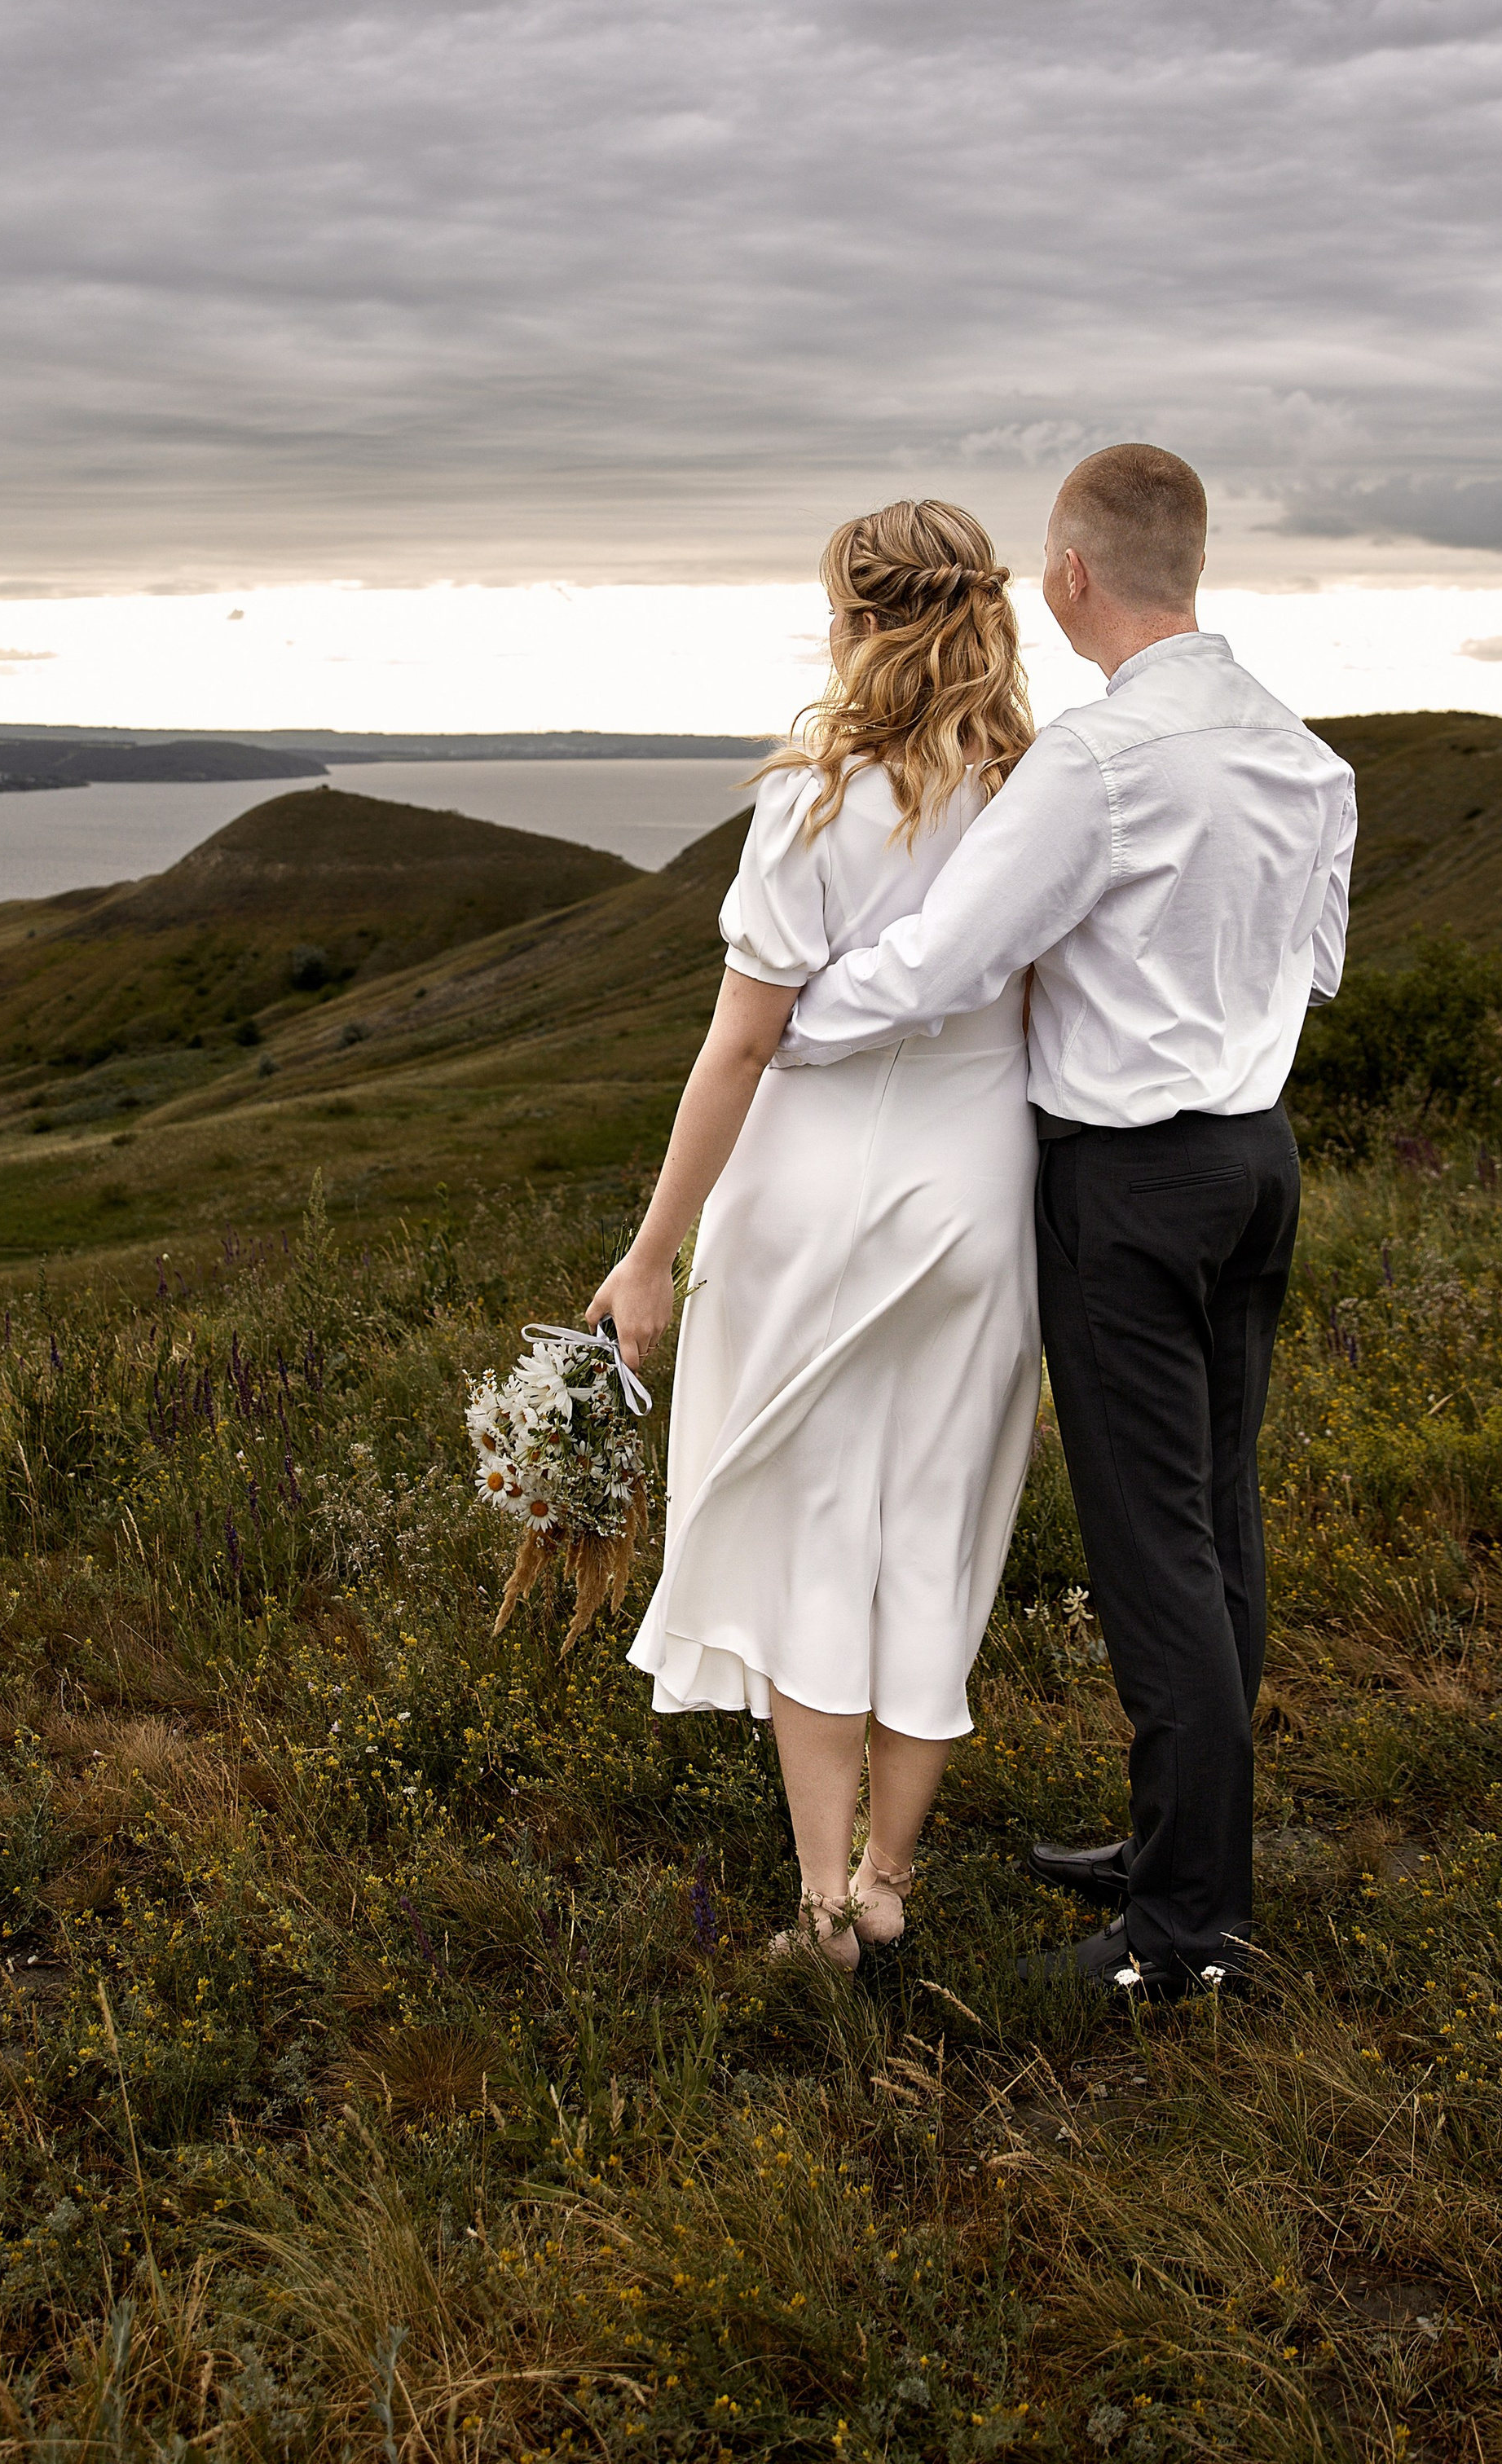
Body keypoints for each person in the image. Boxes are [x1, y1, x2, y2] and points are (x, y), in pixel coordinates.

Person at [777, 444, 1357, 2001]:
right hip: (1257, 1160)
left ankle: (1181, 1942)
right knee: (1220, 1518)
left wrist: (784, 1022)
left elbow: (947, 964)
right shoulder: (1307, 758)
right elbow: (1315, 973)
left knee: (1152, 1547)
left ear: (1074, 576)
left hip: (1131, 1183)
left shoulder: (1095, 765)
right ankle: (1188, 1854)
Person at [585, 498, 1044, 1968]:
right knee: (931, 1531)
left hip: (813, 1201)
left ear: (852, 616)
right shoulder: (1039, 788)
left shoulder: (815, 795)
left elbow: (739, 1047)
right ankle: (890, 1880)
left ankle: (819, 1904)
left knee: (807, 1535)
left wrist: (650, 1254)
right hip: (979, 1195)